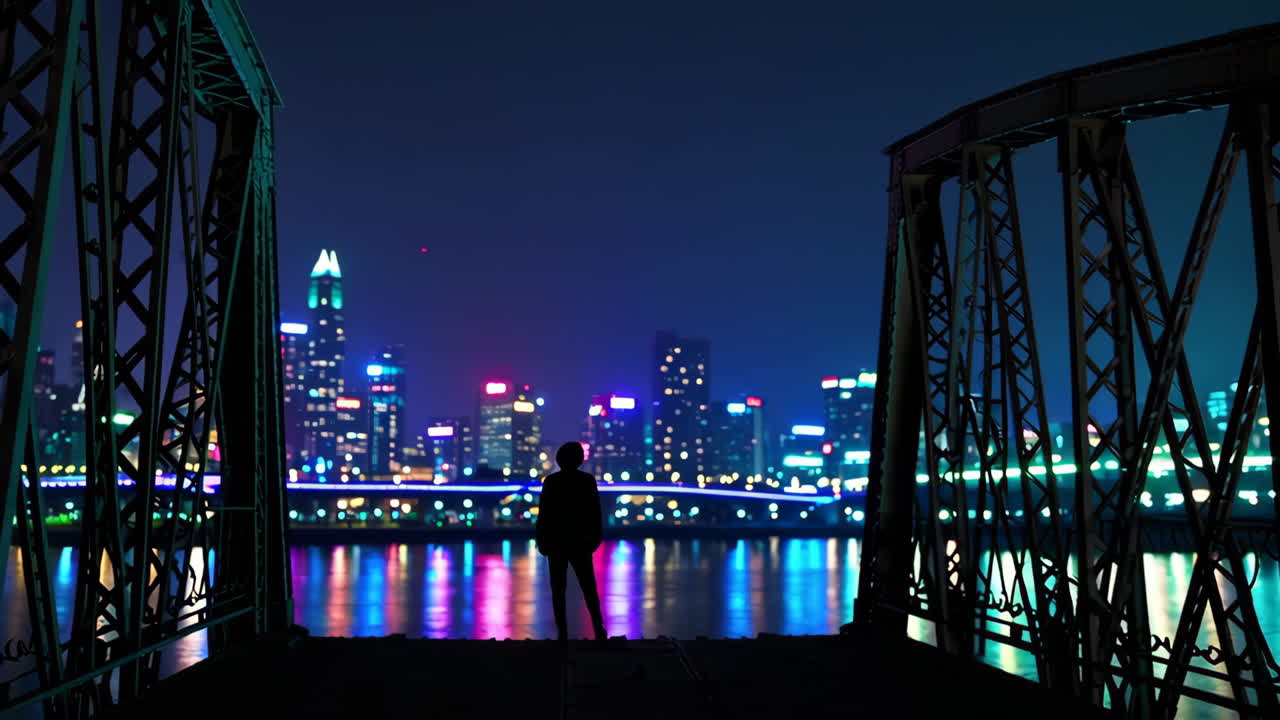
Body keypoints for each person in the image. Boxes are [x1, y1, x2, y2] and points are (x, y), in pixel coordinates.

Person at [535, 441, 607, 644]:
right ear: (579, 459)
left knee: (558, 590)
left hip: (556, 542)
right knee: (589, 588)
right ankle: (599, 630)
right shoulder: (587, 480)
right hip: (580, 542)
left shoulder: (551, 481)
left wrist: (541, 540)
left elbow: (544, 514)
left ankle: (563, 634)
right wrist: (595, 539)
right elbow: (595, 512)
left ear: (559, 459)